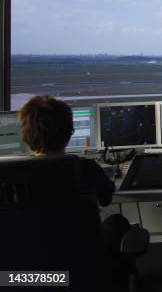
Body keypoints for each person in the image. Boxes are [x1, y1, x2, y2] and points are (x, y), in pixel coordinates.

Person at [19, 95, 132, 283]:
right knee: (118, 222)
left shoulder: (11, 176)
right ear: (70, 132)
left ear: (24, 135)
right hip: (81, 262)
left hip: (23, 271)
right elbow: (106, 198)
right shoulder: (86, 169)